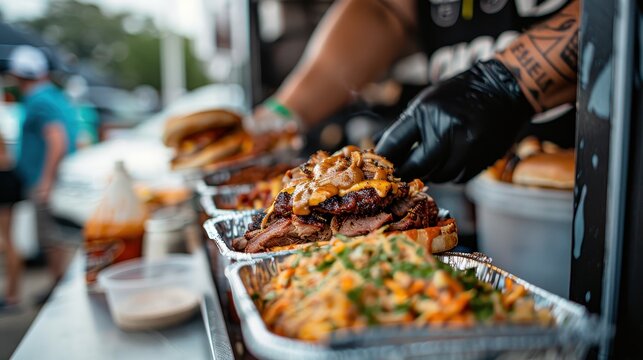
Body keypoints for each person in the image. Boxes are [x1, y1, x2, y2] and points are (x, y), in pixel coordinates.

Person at [246, 0, 579, 183]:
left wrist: (507, 80)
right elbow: (385, 10)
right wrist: (281, 116)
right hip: (481, 194)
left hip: (596, 185)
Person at [0, 45, 77, 307]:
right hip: (51, 178)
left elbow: (57, 139)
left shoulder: (38, 99)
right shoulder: (52, 95)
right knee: (55, 236)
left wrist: (45, 180)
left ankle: (58, 288)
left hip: (44, 180)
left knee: (51, 238)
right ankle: (58, 285)